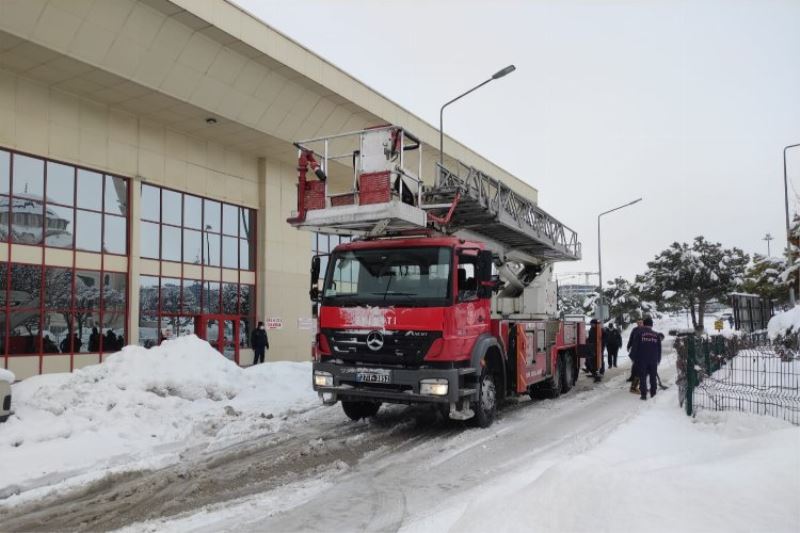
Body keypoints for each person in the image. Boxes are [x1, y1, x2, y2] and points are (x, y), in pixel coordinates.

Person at [631, 316, 662, 400]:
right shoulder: (656, 335)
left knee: (643, 377)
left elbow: (635, 347)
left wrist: (633, 358)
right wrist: (658, 359)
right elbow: (659, 349)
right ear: (651, 325)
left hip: (642, 360)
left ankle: (644, 395)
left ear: (644, 324)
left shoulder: (639, 333)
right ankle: (653, 394)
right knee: (652, 377)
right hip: (653, 360)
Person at [626, 319, 644, 392]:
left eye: (640, 322)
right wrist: (628, 346)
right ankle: (632, 377)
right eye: (638, 322)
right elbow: (631, 338)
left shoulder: (645, 330)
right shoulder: (634, 329)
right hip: (634, 350)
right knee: (634, 365)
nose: (639, 324)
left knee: (640, 365)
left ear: (643, 323)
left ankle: (639, 379)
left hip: (642, 350)